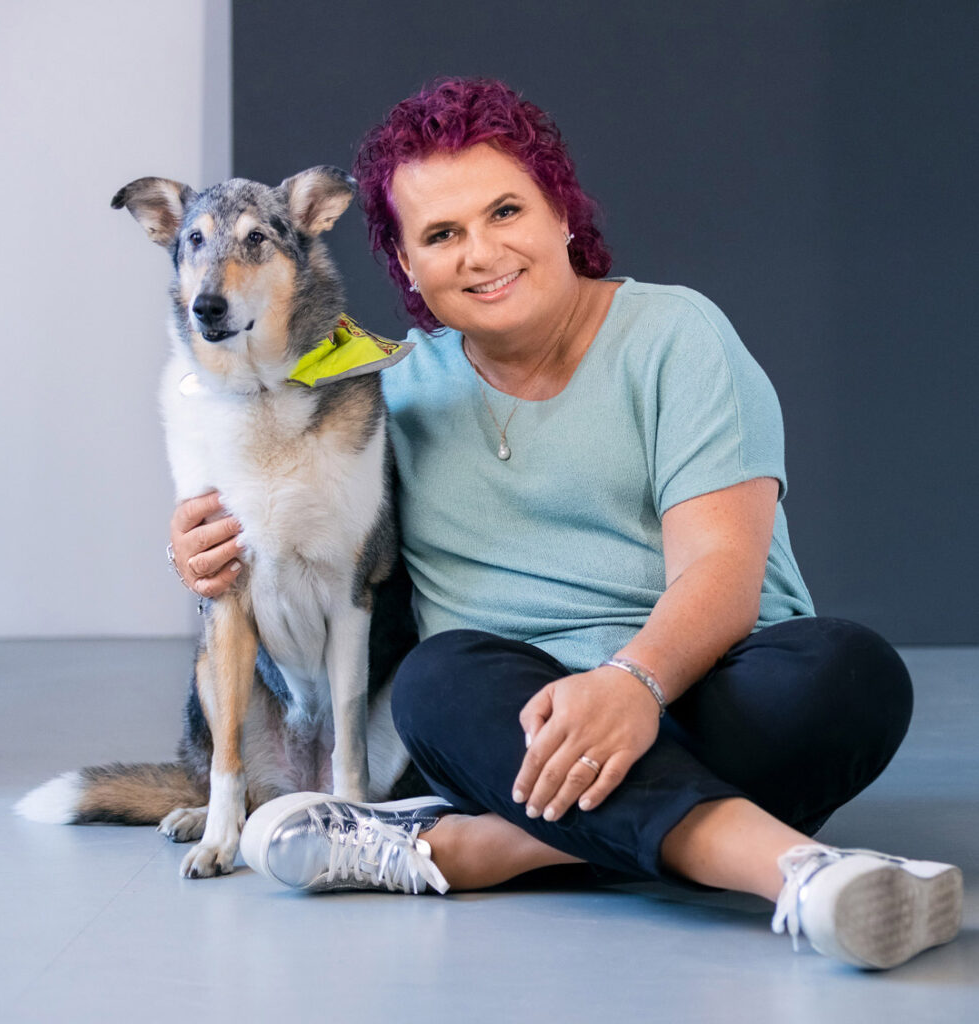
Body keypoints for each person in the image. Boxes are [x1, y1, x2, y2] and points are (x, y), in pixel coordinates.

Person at [169, 78, 962, 969]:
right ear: (406, 266)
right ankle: (799, 871)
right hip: (515, 717)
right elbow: (270, 481)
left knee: (848, 673)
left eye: (506, 210)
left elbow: (723, 572)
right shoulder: (384, 390)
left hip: (699, 683)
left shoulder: (677, 336)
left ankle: (471, 850)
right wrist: (203, 539)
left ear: (561, 214)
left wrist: (631, 687)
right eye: (440, 235)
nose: (481, 253)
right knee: (437, 681)